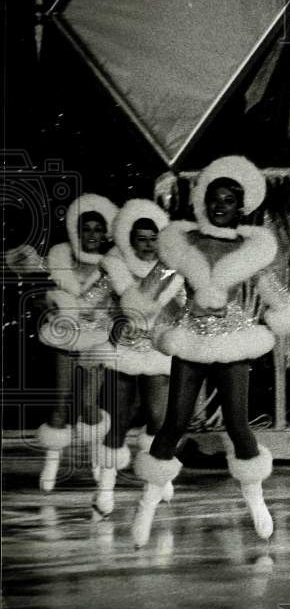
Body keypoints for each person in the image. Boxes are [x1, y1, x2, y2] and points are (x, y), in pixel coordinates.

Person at [129, 156, 290, 547]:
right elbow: (149, 291)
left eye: (228, 199)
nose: (220, 205)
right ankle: (146, 505)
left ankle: (256, 501)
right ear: (202, 201)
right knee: (174, 423)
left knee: (237, 424)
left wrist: (284, 316)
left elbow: (276, 297)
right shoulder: (183, 242)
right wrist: (141, 311)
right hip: (191, 337)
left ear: (241, 206)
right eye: (214, 198)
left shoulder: (251, 247)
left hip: (232, 338)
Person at [91, 198, 184, 517]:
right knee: (117, 421)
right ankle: (104, 490)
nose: (147, 244)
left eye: (152, 238)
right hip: (122, 352)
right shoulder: (116, 267)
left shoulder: (173, 271)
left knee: (159, 418)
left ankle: (159, 476)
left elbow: (184, 310)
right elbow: (92, 302)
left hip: (156, 353)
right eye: (140, 238)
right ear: (130, 240)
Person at [35, 193, 119, 492]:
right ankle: (52, 463)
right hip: (66, 336)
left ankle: (98, 456)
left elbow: (121, 303)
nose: (93, 235)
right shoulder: (59, 259)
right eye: (87, 229)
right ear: (77, 231)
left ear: (106, 233)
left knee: (87, 404)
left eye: (98, 229)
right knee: (60, 406)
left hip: (96, 340)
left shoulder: (113, 265)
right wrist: (54, 306)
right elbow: (45, 300)